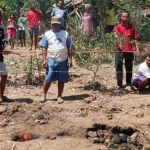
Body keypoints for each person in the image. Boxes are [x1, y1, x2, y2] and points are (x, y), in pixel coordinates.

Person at [40, 16, 73, 104]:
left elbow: (69, 47)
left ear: (60, 25)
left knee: (61, 79)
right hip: (51, 60)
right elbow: (44, 48)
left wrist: (70, 59)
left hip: (63, 60)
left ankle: (59, 96)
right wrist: (44, 60)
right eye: (54, 24)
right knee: (48, 78)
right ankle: (44, 94)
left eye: (57, 25)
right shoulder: (47, 34)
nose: (55, 26)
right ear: (51, 25)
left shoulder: (65, 34)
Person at [114, 11, 139, 89]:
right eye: (123, 17)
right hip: (119, 50)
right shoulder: (117, 27)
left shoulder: (132, 28)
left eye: (126, 17)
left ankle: (128, 82)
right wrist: (119, 43)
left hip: (129, 50)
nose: (124, 18)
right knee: (118, 66)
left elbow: (134, 39)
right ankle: (119, 84)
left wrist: (137, 49)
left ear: (129, 18)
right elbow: (116, 36)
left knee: (129, 66)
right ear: (121, 17)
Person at [0, 25, 7, 102]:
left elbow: (2, 41)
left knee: (4, 76)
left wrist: (4, 43)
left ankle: (1, 96)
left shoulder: (1, 28)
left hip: (0, 57)